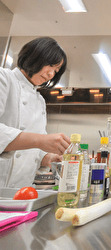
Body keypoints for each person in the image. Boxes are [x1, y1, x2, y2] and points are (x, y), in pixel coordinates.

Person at [0, 37, 71, 188]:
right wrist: (41, 141)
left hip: (21, 191)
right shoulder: (4, 78)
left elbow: (31, 150)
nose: (51, 74)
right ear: (34, 56)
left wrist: (48, 157)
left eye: (56, 71)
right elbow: (35, 140)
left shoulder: (40, 101)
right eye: (50, 66)